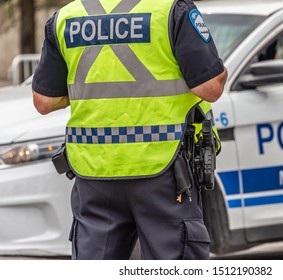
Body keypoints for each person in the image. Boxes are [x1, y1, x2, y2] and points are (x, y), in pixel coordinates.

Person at [32, 0, 227, 260]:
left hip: (94, 172)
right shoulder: (171, 10)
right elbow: (210, 88)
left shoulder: (66, 17)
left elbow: (44, 101)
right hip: (163, 170)